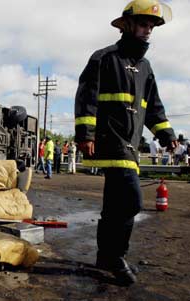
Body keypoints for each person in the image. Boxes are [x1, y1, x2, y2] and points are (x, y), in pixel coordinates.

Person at [74, 0, 177, 285]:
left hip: (130, 144)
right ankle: (117, 256)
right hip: (109, 140)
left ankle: (106, 257)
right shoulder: (103, 58)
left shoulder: (146, 67)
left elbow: (153, 106)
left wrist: (166, 134)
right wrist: (85, 134)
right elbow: (86, 97)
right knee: (131, 200)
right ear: (128, 25)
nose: (149, 31)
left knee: (115, 203)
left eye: (152, 26)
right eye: (144, 24)